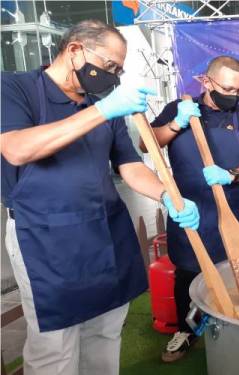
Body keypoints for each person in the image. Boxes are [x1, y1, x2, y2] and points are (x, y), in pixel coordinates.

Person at [0, 20, 199, 375]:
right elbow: (16, 149)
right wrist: (103, 111)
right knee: (55, 345)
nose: (112, 77)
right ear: (75, 50)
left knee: (106, 334)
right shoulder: (15, 88)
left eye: (118, 71)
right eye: (110, 67)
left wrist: (169, 196)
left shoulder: (102, 102)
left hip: (107, 230)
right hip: (46, 237)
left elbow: (129, 165)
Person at [141, 56, 239, 362]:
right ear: (205, 82)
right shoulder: (178, 108)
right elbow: (147, 144)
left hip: (235, 210)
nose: (234, 95)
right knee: (188, 271)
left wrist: (232, 174)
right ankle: (187, 331)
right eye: (227, 88)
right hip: (189, 209)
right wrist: (175, 124)